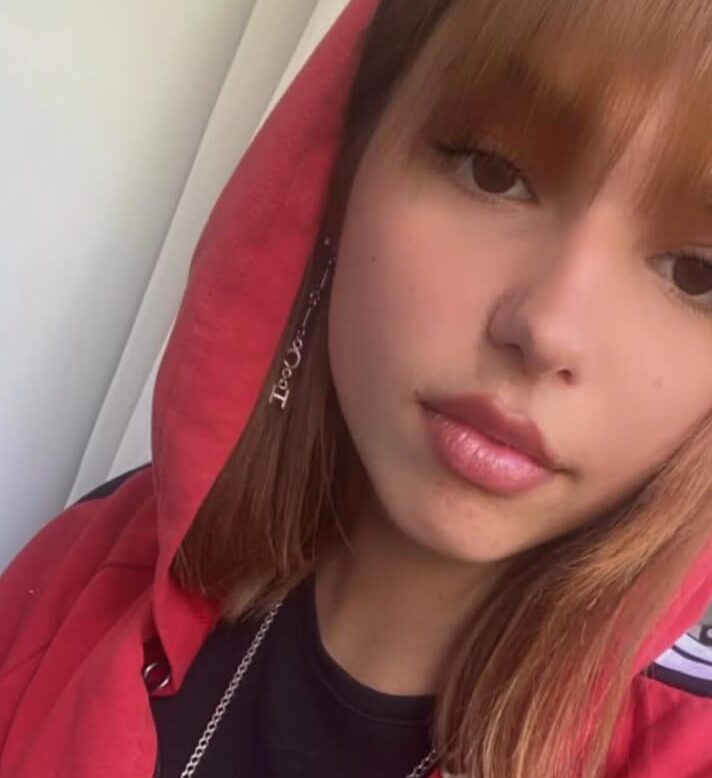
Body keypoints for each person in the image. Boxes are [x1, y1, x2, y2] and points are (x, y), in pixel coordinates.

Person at [2, 0, 712, 776]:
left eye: (696, 274)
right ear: (342, 169)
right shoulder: (97, 559)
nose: (548, 328)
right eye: (492, 171)